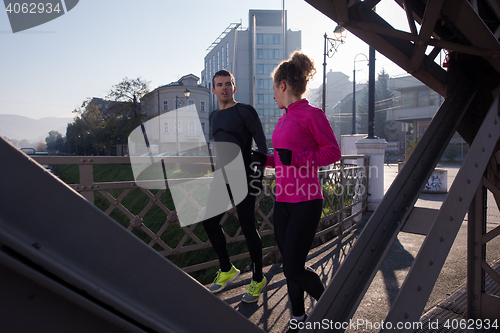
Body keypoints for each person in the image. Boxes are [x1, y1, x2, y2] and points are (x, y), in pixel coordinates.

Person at [252, 51, 341, 329]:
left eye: (274, 90)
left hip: (306, 201)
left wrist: (299, 159)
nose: (273, 96)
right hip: (283, 202)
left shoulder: (313, 115)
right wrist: (263, 159)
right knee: (292, 265)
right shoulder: (283, 119)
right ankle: (299, 319)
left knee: (292, 268)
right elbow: (282, 159)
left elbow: (333, 153)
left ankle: (333, 313)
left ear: (283, 86)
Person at [203, 69, 268, 303]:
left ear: (234, 87)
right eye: (219, 85)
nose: (224, 88)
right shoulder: (213, 116)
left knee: (248, 225)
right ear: (213, 90)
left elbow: (262, 146)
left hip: (245, 176)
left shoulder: (245, 111)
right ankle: (227, 268)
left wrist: (256, 175)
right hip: (223, 176)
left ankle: (258, 278)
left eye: (227, 84)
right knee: (209, 221)